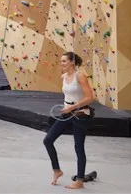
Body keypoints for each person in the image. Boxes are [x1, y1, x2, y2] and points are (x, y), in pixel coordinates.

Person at [43, 51, 96, 189]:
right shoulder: (64, 76)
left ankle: (79, 181)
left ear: (72, 62)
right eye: (61, 61)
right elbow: (69, 95)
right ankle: (57, 170)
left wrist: (73, 107)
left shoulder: (80, 76)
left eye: (64, 61)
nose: (61, 63)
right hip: (67, 113)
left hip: (80, 114)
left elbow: (90, 97)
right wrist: (67, 107)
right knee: (48, 140)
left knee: (78, 147)